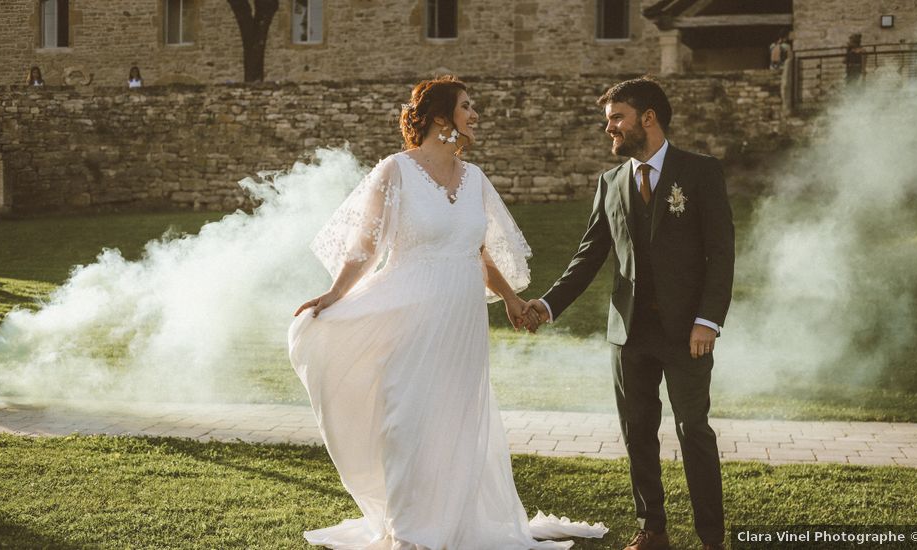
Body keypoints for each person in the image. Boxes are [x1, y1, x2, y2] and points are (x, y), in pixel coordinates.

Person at [288, 75, 608, 549]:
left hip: (461, 315)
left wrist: (514, 302)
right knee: (405, 418)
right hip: (409, 309)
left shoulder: (474, 177)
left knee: (454, 421)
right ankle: (409, 527)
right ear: (441, 117)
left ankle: (454, 522)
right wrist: (334, 294)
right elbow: (365, 247)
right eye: (467, 106)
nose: (475, 114)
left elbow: (478, 252)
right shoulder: (394, 171)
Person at [522, 77, 735, 550]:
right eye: (609, 121)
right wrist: (548, 304)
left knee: (692, 430)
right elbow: (589, 255)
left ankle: (712, 539)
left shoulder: (700, 172)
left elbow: (721, 254)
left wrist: (708, 320)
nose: (609, 129)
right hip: (630, 333)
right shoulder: (611, 182)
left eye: (617, 118)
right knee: (638, 432)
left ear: (648, 118)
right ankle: (653, 530)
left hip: (687, 333)